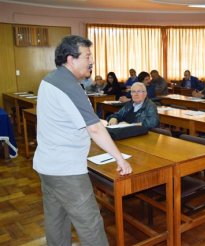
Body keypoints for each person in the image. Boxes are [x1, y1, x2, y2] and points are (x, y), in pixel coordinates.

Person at [33, 35, 132, 246]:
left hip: (47, 165)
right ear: (71, 59)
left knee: (56, 221)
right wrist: (120, 159)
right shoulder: (69, 85)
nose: (91, 60)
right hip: (66, 170)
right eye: (87, 56)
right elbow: (94, 129)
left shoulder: (49, 79)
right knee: (90, 225)